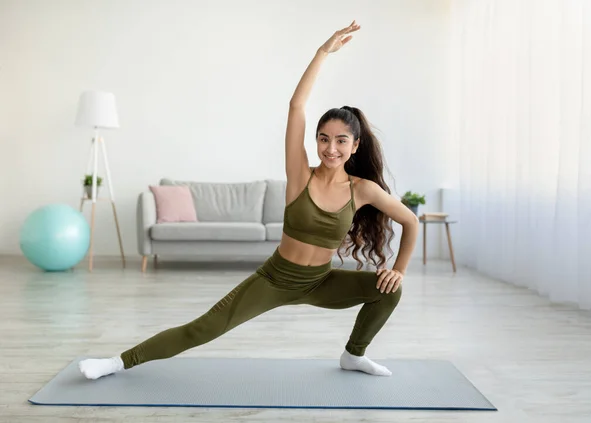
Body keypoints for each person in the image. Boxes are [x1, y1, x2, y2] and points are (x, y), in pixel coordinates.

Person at [79, 20, 419, 380]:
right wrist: (323, 53)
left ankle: (354, 355)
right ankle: (116, 363)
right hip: (274, 279)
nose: (330, 148)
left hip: (320, 281)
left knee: (389, 292)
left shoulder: (362, 189)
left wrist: (398, 270)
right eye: (323, 138)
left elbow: (410, 222)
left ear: (355, 145)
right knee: (203, 328)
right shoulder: (300, 174)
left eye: (340, 140)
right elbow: (296, 107)